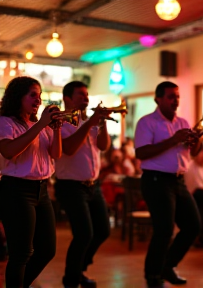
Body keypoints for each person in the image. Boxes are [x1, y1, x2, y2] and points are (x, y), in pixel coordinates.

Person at [134, 81, 202, 288]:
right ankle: (153, 275)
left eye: (178, 96)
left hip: (178, 181)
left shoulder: (183, 122)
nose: (176, 100)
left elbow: (194, 152)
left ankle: (167, 265)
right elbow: (141, 153)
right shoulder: (147, 122)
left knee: (193, 226)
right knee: (164, 230)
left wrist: (197, 139)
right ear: (158, 99)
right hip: (156, 180)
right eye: (171, 96)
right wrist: (173, 140)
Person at [0, 76, 63, 288]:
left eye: (40, 95)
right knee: (21, 253)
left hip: (42, 189)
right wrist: (41, 125)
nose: (38, 100)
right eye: (33, 95)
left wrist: (56, 129)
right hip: (16, 191)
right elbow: (9, 151)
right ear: (18, 97)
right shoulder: (5, 122)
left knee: (47, 249)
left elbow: (56, 153)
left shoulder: (40, 125)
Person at [54, 81, 111, 288]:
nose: (86, 99)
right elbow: (68, 149)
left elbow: (103, 146)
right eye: (80, 95)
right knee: (84, 234)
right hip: (71, 186)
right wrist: (89, 124)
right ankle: (71, 280)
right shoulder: (59, 121)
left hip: (93, 186)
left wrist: (101, 123)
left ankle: (78, 271)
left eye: (87, 95)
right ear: (67, 98)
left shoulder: (90, 120)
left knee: (103, 230)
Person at [184, 142, 203, 247]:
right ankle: (199, 236)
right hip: (192, 196)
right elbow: (194, 187)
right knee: (200, 200)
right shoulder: (190, 167)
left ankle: (202, 236)